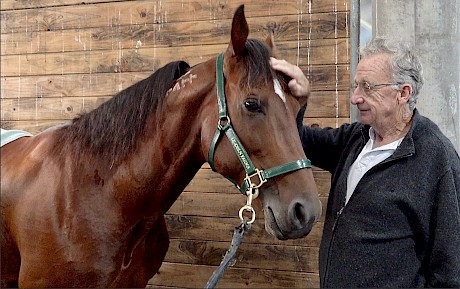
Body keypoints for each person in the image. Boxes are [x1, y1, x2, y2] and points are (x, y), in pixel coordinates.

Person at [271, 37, 460, 287]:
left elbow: (450, 266)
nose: (355, 98)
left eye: (367, 87)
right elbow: (301, 141)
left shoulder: (436, 157)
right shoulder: (357, 137)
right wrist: (298, 99)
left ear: (403, 93)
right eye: (356, 86)